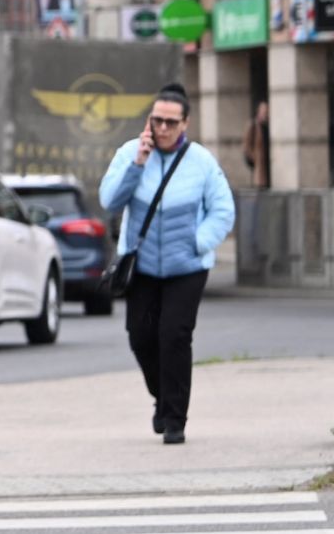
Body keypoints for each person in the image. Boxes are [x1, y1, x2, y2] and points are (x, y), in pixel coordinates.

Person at [99, 83, 235, 445]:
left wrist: (197, 243)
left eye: (170, 122)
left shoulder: (201, 162)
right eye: (156, 120)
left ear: (185, 123)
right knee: (141, 337)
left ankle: (175, 419)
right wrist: (136, 165)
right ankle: (162, 397)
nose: (162, 128)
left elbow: (223, 211)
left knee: (174, 335)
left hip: (186, 267)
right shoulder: (130, 153)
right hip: (141, 266)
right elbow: (110, 200)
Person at [241, 100, 270, 188]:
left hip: (267, 161)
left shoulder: (267, 125)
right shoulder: (253, 124)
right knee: (260, 185)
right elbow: (246, 145)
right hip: (259, 162)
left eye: (267, 110)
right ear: (259, 111)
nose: (265, 113)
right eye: (263, 110)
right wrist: (254, 158)